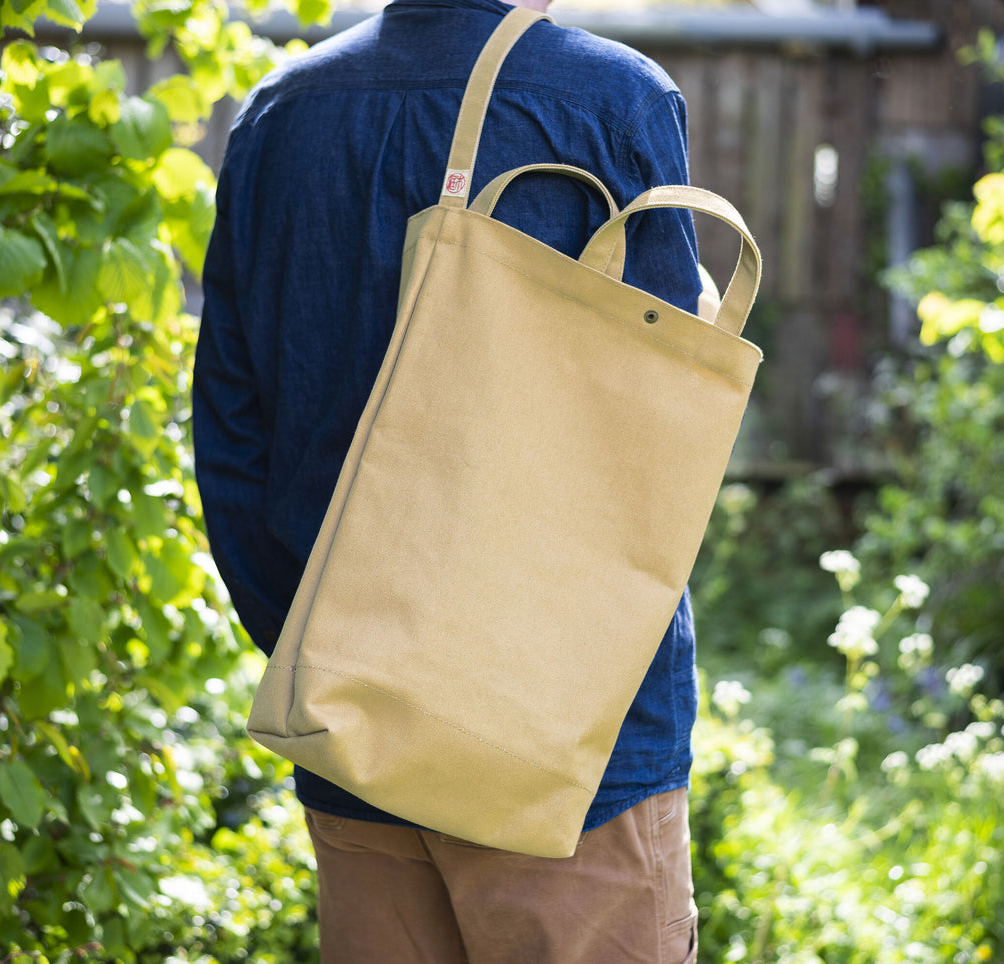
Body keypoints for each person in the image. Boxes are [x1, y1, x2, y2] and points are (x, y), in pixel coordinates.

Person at [193, 0, 705, 959]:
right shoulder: (610, 99)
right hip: (566, 747)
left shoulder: (277, 112)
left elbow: (230, 432)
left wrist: (320, 651)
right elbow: (657, 439)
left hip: (354, 724)